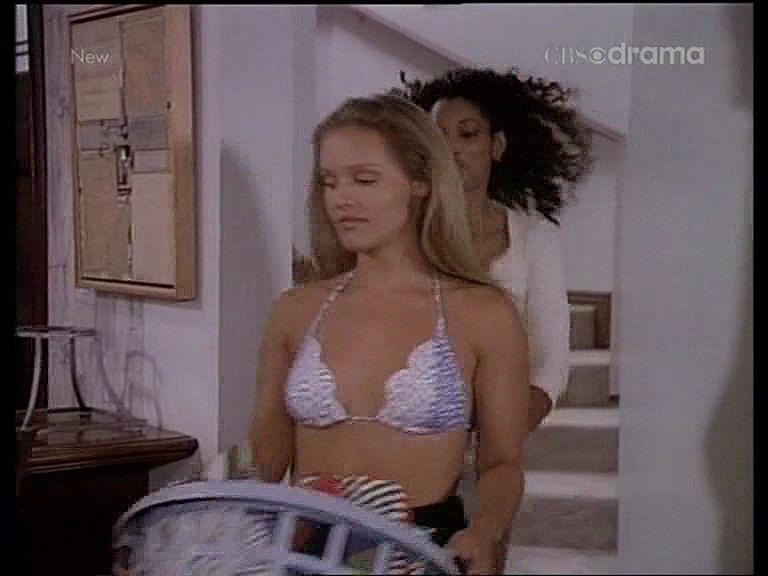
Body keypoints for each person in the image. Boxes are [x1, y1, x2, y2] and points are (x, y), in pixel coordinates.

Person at [249, 93, 529, 574]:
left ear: (421, 182)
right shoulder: (296, 310)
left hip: (421, 552)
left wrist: (486, 530)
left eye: (364, 179)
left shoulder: (485, 314)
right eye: (330, 182)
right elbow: (266, 463)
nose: (341, 199)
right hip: (304, 551)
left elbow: (502, 461)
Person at [397, 67, 593, 430]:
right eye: (438, 137)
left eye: (468, 134)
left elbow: (550, 362)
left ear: (496, 146)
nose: (451, 149)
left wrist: (504, 434)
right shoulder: (399, 232)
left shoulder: (534, 236)